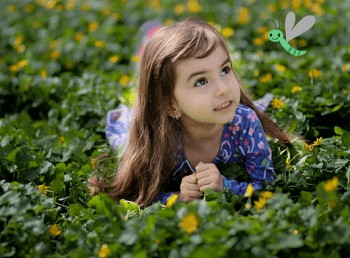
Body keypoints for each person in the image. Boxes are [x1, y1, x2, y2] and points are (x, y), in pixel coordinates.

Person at [90, 17, 291, 208]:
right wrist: (178, 198)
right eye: (200, 81)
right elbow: (139, 194)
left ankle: (152, 44)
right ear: (171, 106)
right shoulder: (157, 139)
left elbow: (266, 188)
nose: (224, 89)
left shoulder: (245, 122)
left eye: (225, 70)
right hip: (145, 120)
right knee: (145, 94)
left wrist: (225, 186)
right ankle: (147, 45)